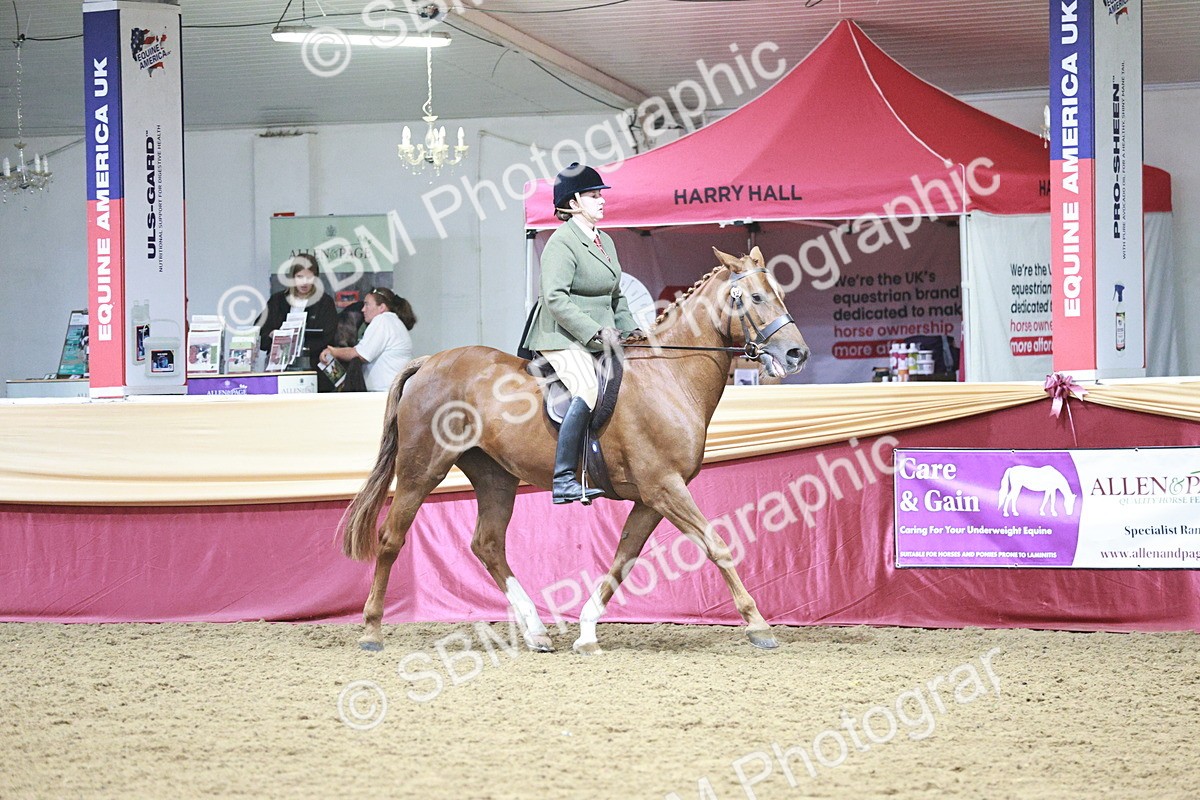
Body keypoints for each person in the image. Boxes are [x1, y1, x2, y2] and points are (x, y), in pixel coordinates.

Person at [521, 163, 643, 505]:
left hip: (603, 334)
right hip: (561, 336)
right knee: (587, 389)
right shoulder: (561, 243)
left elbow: (616, 295)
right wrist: (594, 332)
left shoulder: (605, 241)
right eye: (593, 196)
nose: (601, 201)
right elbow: (556, 298)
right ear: (573, 203)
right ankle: (563, 479)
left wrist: (632, 329)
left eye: (599, 195)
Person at [258, 253, 339, 392]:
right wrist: (272, 334)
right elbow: (260, 330)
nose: (304, 282)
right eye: (300, 277)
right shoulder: (277, 301)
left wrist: (300, 349)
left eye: (309, 277)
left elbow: (329, 335)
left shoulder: (325, 302)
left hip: (314, 372)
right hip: (279, 370)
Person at [321, 287, 415, 392]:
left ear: (381, 307)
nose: (363, 309)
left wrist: (334, 352)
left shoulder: (382, 320)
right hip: (393, 392)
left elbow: (360, 354)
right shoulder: (394, 322)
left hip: (385, 394)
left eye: (367, 304)